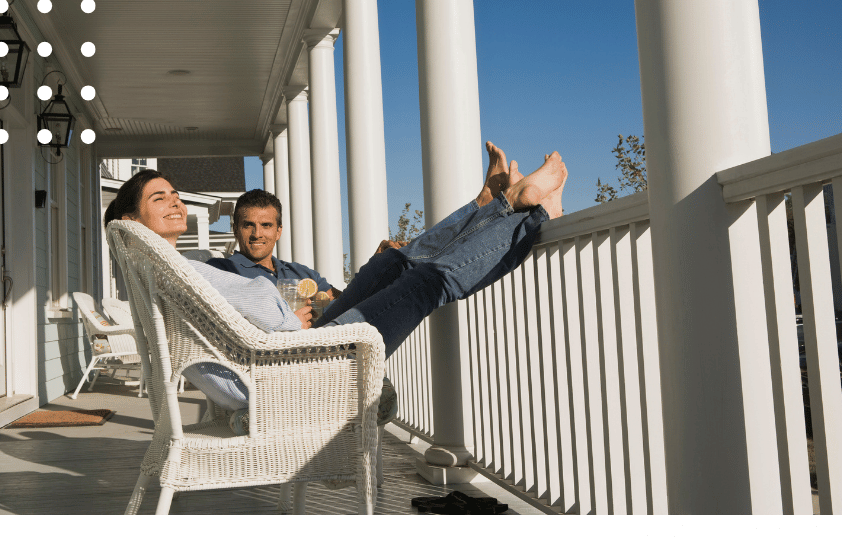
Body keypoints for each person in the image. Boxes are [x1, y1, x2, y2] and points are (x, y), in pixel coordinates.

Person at [105, 142, 568, 428]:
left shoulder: (163, 267)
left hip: (276, 366)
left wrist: (302, 318)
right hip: (286, 376)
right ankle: (527, 214)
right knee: (426, 282)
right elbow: (264, 307)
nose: (175, 202)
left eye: (174, 194)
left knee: (391, 265)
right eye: (158, 198)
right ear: (130, 219)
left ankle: (498, 205)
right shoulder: (182, 266)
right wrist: (295, 324)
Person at [206, 189, 341, 300]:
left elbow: (342, 302)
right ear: (235, 230)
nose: (257, 234)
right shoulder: (221, 269)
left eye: (266, 225)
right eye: (248, 225)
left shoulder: (301, 272)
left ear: (278, 232)